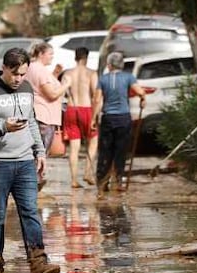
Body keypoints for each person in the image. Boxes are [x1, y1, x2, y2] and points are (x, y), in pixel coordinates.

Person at [0, 48, 61, 273]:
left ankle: (38, 262)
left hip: (24, 163)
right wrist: (3, 126)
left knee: (30, 211)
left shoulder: (25, 89)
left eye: (22, 74)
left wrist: (40, 151)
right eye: (15, 74)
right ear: (4, 67)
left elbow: (31, 120)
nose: (18, 79)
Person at [92, 51, 146, 195]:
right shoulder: (129, 77)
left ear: (109, 65)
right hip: (123, 118)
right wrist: (143, 99)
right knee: (120, 150)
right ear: (121, 65)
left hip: (108, 118)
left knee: (105, 151)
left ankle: (102, 181)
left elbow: (97, 100)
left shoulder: (103, 79)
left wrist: (93, 118)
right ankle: (118, 180)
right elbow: (140, 91)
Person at [22, 42, 66, 189]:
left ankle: (33, 182)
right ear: (41, 54)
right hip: (43, 115)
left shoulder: (31, 67)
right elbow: (51, 94)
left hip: (36, 113)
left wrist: (55, 74)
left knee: (35, 152)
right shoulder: (39, 70)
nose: (52, 57)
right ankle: (34, 183)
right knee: (40, 153)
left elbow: (40, 87)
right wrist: (66, 85)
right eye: (50, 54)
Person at [61, 47, 99, 188]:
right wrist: (95, 116)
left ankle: (73, 180)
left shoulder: (67, 73)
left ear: (75, 57)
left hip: (71, 109)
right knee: (93, 141)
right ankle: (88, 172)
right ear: (86, 58)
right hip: (86, 109)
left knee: (74, 147)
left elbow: (63, 92)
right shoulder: (91, 73)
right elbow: (96, 95)